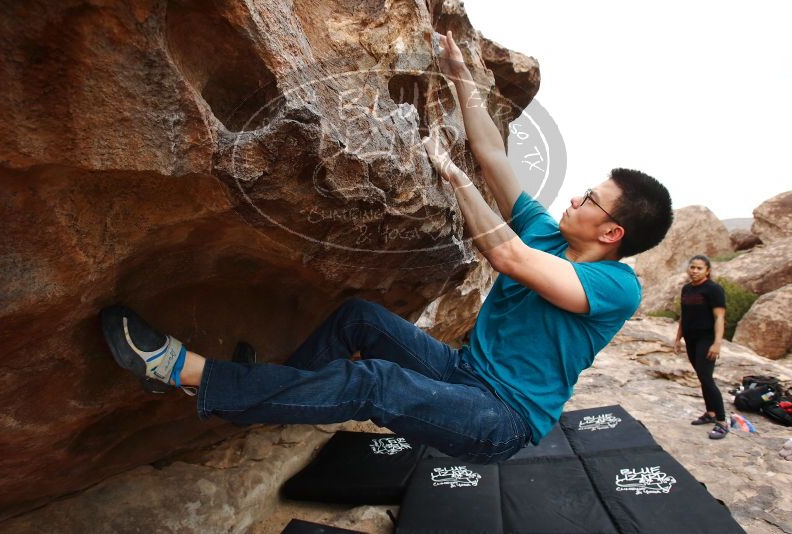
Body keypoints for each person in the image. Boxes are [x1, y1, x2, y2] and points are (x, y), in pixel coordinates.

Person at [100, 31, 673, 463]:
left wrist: (454, 177)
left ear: (611, 233)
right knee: (358, 321)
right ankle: (265, 395)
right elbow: (495, 154)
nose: (575, 198)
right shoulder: (547, 230)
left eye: (591, 200)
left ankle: (185, 370)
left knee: (373, 381)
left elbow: (508, 258)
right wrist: (459, 78)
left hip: (501, 418)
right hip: (462, 371)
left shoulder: (614, 287)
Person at [673, 255, 728, 440]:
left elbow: (719, 317)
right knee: (701, 377)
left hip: (707, 338)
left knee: (706, 377)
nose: (694, 271)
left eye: (699, 268)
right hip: (691, 338)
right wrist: (678, 337)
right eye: (692, 267)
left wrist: (717, 343)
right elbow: (684, 314)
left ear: (707, 271)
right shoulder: (687, 289)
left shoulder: (713, 289)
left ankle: (722, 421)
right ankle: (710, 413)